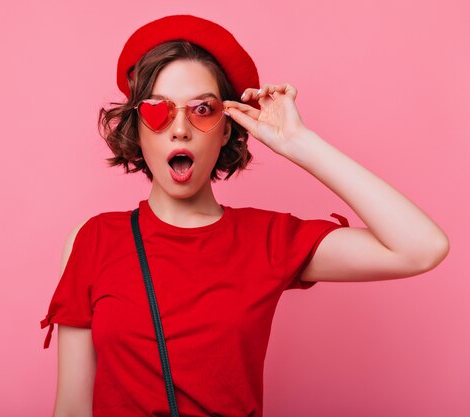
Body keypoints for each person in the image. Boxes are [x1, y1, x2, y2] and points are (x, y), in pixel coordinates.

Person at [40, 14, 449, 417]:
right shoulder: (93, 240)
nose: (180, 129)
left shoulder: (267, 240)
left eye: (202, 109)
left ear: (226, 128)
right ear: (137, 126)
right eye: (157, 110)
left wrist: (299, 142)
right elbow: (72, 407)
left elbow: (421, 247)